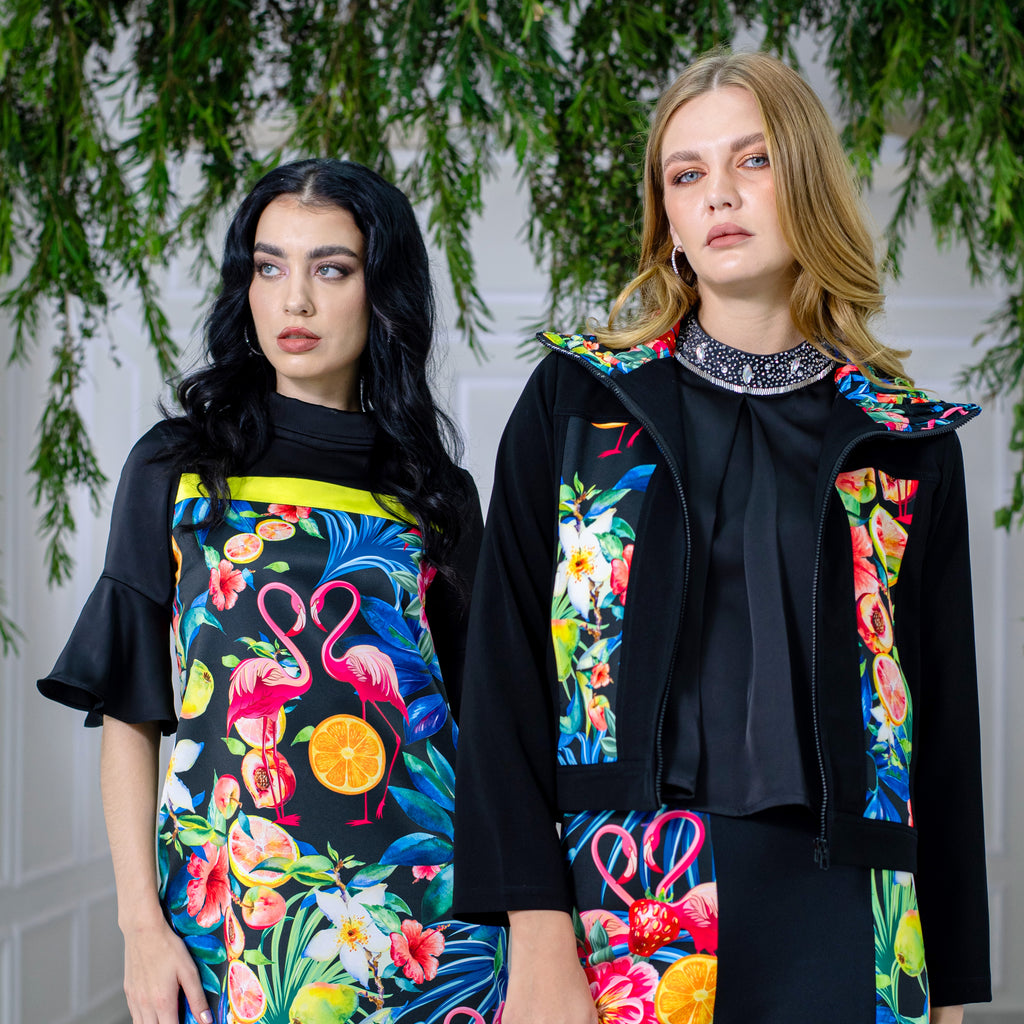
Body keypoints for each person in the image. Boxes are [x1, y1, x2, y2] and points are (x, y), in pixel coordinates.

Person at [453, 49, 990, 1024]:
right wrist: (533, 930)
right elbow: (502, 679)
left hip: (852, 903)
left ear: (807, 179)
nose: (719, 195)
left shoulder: (904, 442)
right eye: (686, 173)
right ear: (666, 216)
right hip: (628, 888)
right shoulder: (577, 404)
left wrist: (948, 982)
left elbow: (942, 722)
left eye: (753, 160)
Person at [39, 158, 507, 1024]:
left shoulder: (433, 494)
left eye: (331, 269)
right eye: (270, 266)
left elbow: (484, 727)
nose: (295, 300)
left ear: (382, 293)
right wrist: (140, 923)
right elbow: (132, 713)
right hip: (235, 921)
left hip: (430, 921)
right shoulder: (180, 469)